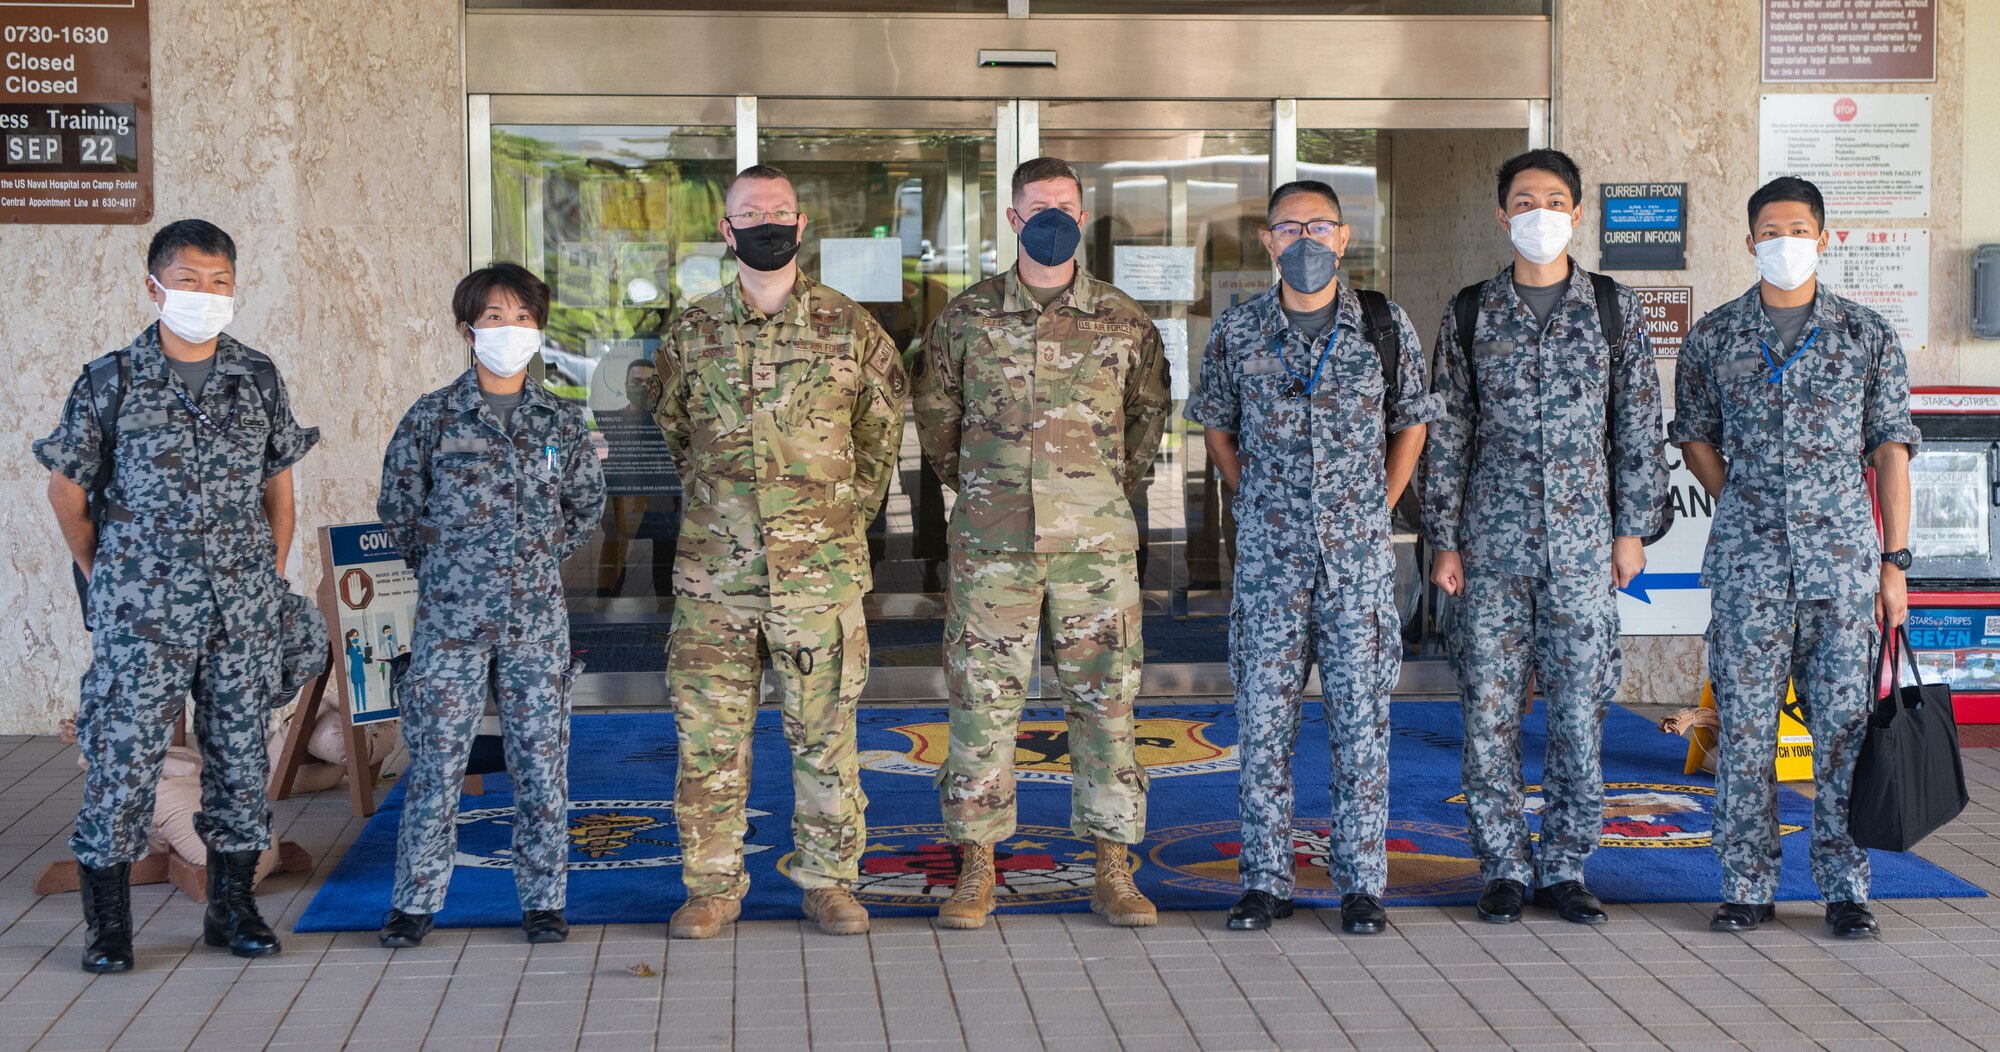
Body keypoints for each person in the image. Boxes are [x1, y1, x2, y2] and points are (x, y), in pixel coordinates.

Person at [35, 219, 319, 972]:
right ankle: (109, 926)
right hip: (143, 613)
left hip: (240, 611)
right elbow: (67, 491)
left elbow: (279, 488)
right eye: (189, 280)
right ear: (154, 284)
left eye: (219, 281)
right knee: (124, 760)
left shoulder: (256, 375)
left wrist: (271, 570)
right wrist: (104, 574)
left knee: (236, 759)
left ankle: (233, 910)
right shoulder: (110, 379)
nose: (205, 294)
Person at [914, 156, 1172, 930]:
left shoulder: (1125, 322)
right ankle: (978, 867)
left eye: (1065, 204)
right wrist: (990, 490)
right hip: (994, 546)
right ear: (1014, 219)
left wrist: (1090, 495)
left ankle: (1112, 866)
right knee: (982, 706)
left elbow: (1145, 425)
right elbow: (938, 425)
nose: (1052, 216)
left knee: (1105, 704)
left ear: (1082, 217)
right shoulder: (964, 319)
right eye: (1037, 206)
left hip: (1095, 547)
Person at [654, 164, 905, 939]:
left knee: (826, 741)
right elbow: (674, 434)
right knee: (710, 742)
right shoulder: (689, 334)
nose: (767, 222)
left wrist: (833, 521)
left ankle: (829, 883)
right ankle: (712, 887)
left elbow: (881, 434)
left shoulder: (850, 328)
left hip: (819, 578)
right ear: (727, 232)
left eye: (781, 211)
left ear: (802, 227)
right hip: (715, 579)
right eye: (750, 213)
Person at [1422, 149, 1669, 926]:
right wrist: (1444, 540)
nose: (1539, 214)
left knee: (1578, 713)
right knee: (1487, 711)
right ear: (1502, 216)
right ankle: (1499, 864)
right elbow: (1447, 434)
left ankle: (1564, 865)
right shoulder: (1469, 311)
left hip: (1584, 551)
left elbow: (1636, 426)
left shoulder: (1611, 308)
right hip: (1490, 553)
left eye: (1554, 200)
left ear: (1576, 213)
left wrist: (1633, 532)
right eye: (1524, 201)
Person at [1185, 180, 1438, 935]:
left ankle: (1362, 883)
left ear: (1342, 237)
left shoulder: (1385, 327)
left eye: (1318, 226)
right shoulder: (1237, 332)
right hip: (1270, 562)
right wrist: (1257, 497)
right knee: (1265, 722)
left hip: (1357, 564)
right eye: (1288, 227)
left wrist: (1379, 505)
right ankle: (1265, 881)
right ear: (1267, 241)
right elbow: (1219, 430)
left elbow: (1412, 424)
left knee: (1362, 722)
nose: (1304, 240)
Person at [1671, 176, 1917, 938]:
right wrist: (1737, 492)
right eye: (1770, 229)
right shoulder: (1714, 335)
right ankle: (1747, 885)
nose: (1785, 241)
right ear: (1750, 242)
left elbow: (1891, 453)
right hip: (1749, 569)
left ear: (1824, 236)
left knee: (1842, 729)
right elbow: (1694, 435)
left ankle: (1845, 888)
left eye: (1799, 227)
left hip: (1843, 567)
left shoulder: (1866, 334)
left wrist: (1896, 562)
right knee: (1744, 730)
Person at [375, 262, 606, 947]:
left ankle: (544, 900)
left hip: (536, 622)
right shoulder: (432, 416)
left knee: (541, 762)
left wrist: (531, 562)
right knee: (438, 761)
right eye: (497, 318)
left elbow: (586, 506)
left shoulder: (559, 419)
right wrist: (449, 567)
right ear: (467, 330)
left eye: (524, 319)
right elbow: (398, 506)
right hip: (450, 623)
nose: (512, 331)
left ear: (540, 330)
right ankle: (414, 904)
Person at [346, 629, 371, 710]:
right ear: (350, 638)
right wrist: (363, 655)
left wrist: (368, 656)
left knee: (363, 691)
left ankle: (364, 708)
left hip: (361, 671)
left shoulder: (359, 647)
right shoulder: (350, 649)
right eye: (354, 636)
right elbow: (356, 659)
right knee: (356, 692)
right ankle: (358, 709)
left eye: (357, 635)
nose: (356, 637)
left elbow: (362, 660)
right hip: (355, 671)